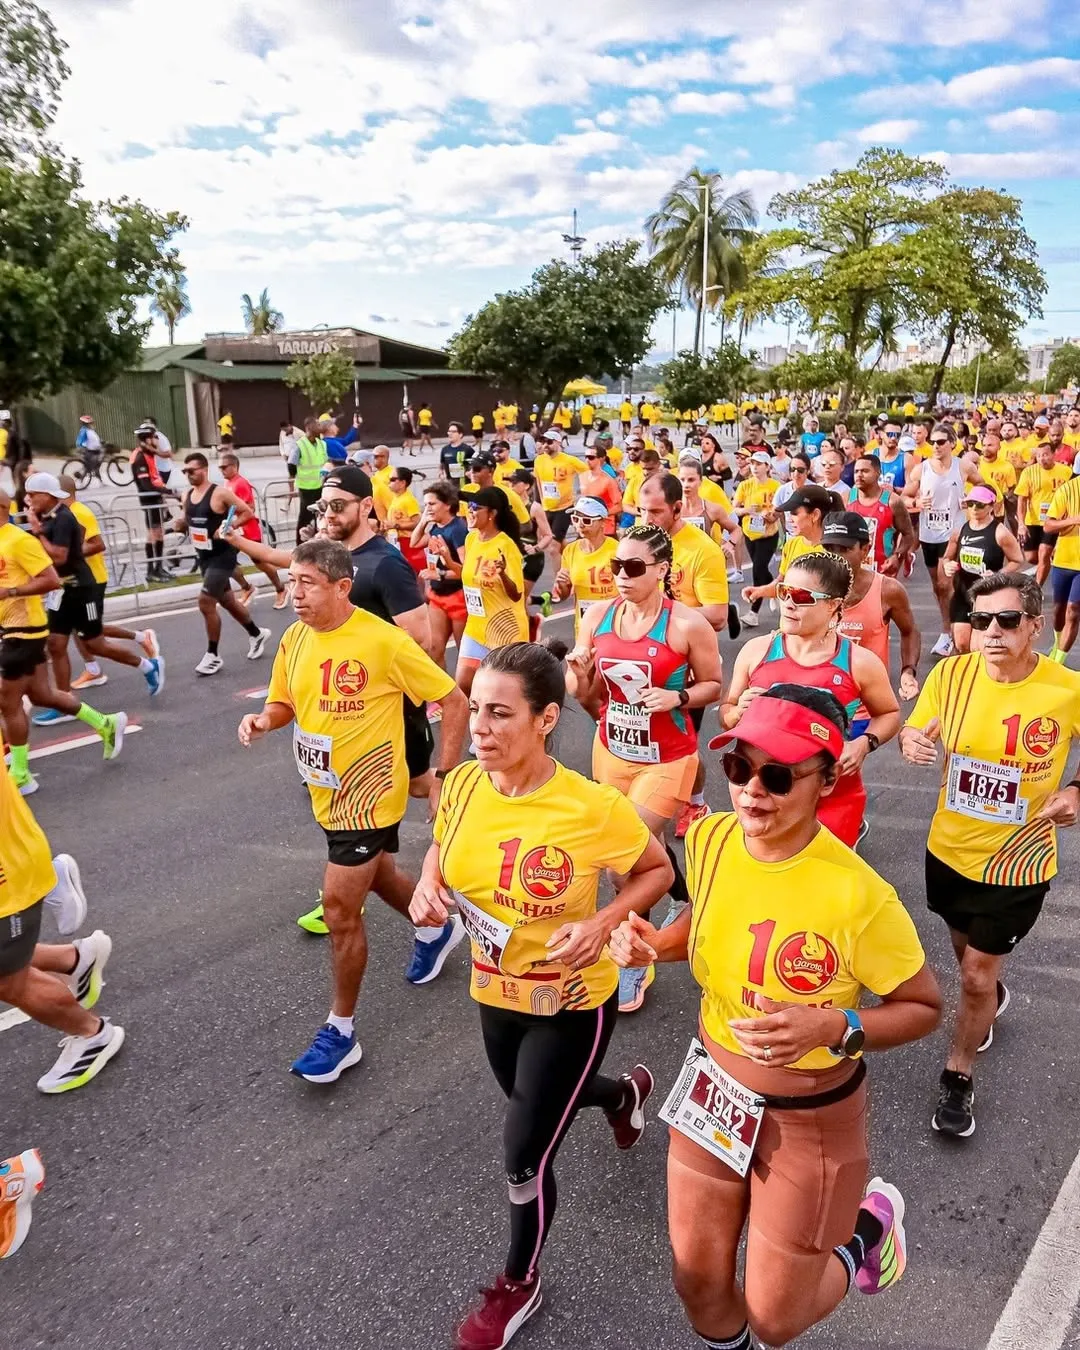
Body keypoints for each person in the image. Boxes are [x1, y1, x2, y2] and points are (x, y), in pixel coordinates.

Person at [608, 685, 940, 1350]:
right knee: (697, 1282)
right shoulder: (710, 840)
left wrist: (836, 1027)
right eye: (739, 768)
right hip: (714, 1090)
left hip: (809, 1116)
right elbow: (705, 920)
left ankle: (869, 1232)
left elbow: (924, 1007)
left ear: (827, 780)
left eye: (779, 776)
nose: (752, 791)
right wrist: (654, 944)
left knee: (776, 1319)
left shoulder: (859, 895)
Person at [409, 641, 673, 1350]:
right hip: (494, 992)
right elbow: (441, 845)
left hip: (570, 1004)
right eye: (476, 709)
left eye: (501, 714)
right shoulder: (464, 785)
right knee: (543, 1101)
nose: (481, 727)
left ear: (546, 718)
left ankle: (518, 1283)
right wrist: (429, 883)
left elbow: (657, 871)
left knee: (524, 1149)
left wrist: (602, 923)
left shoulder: (592, 807)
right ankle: (622, 1096)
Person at [239, 538, 469, 1082]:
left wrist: (445, 777)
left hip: (370, 796)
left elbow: (454, 700)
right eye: (292, 581)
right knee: (379, 872)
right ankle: (439, 928)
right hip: (326, 790)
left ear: (343, 587)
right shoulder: (295, 637)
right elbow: (284, 701)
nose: (295, 593)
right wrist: (264, 720)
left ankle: (340, 1033)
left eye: (307, 583)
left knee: (340, 910)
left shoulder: (383, 641)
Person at [900, 572, 1080, 1138]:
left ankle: (958, 1074)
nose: (992, 632)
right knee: (965, 955)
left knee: (975, 976)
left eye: (1006, 620)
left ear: (1034, 625)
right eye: (981, 621)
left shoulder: (1066, 688)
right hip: (949, 852)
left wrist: (1076, 790)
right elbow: (914, 729)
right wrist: (912, 741)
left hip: (1019, 861)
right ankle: (991, 996)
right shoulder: (950, 676)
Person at [565, 522, 723, 1012]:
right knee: (643, 848)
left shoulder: (686, 624)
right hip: (612, 749)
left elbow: (714, 685)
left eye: (633, 567)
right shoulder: (597, 615)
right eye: (617, 565)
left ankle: (634, 957)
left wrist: (677, 697)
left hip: (669, 755)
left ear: (661, 570)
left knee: (625, 856)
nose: (621, 576)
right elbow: (583, 692)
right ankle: (684, 894)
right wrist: (579, 675)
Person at [722, 551, 900, 848]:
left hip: (832, 794)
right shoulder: (757, 651)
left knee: (822, 874)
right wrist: (736, 712)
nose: (788, 603)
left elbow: (889, 713)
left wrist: (863, 743)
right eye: (784, 592)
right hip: (766, 791)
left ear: (833, 605)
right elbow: (726, 712)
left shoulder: (859, 662)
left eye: (802, 596)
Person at [0, 768, 126, 1092]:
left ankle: (92, 1034)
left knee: (8, 980)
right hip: (16, 855)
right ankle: (75, 960)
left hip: (7, 882)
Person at [0, 490, 126, 795]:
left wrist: (11, 593)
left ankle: (21, 774)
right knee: (42, 695)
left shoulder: (19, 541)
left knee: (7, 701)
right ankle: (106, 723)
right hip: (8, 628)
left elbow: (51, 580)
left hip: (25, 630)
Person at [637, 474, 732, 839]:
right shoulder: (638, 543)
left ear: (678, 508)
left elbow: (718, 615)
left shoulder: (701, 550)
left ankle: (696, 801)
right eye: (642, 511)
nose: (646, 519)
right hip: (640, 659)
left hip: (687, 668)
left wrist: (665, 614)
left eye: (655, 512)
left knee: (681, 745)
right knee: (642, 738)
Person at [23, 475, 163, 717]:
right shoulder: (47, 516)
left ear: (47, 495)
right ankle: (64, 704)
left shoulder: (65, 517)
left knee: (95, 644)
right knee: (55, 644)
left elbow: (59, 557)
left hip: (82, 589)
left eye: (32, 494)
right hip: (61, 590)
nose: (28, 499)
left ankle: (147, 666)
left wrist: (38, 532)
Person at [58, 478, 161, 692]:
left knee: (92, 633)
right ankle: (93, 669)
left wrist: (69, 555)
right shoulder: (63, 514)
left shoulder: (80, 512)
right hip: (75, 581)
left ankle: (142, 642)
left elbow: (98, 544)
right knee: (80, 627)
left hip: (92, 580)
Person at [172, 454, 270, 675]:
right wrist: (180, 524)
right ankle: (257, 634)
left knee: (206, 602)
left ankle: (213, 655)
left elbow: (247, 511)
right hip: (204, 556)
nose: (188, 475)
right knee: (227, 601)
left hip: (223, 555)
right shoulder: (187, 495)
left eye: (192, 471)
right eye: (185, 471)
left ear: (204, 470)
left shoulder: (220, 493)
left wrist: (229, 526)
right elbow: (187, 520)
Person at [903, 424, 984, 658]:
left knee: (946, 583)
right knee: (938, 587)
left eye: (940, 442)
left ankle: (949, 633)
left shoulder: (963, 466)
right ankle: (952, 626)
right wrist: (917, 503)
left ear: (952, 444)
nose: (936, 446)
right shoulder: (921, 469)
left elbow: (984, 487)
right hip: (929, 534)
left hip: (954, 534)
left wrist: (971, 498)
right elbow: (905, 497)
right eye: (933, 442)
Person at [823, 512, 921, 704]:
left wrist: (908, 671)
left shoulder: (888, 590)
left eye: (844, 549)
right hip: (820, 705)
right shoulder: (810, 587)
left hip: (867, 708)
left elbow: (909, 631)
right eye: (829, 549)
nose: (835, 557)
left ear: (865, 550)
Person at [456, 487, 528, 695]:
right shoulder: (471, 540)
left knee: (503, 695)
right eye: (468, 506)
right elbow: (470, 576)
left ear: (492, 514)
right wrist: (447, 559)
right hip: (476, 627)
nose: (469, 511)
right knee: (463, 685)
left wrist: (502, 574)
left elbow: (516, 594)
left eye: (475, 507)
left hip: (504, 630)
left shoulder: (506, 546)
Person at [942, 487, 1024, 655]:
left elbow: (1017, 560)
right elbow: (947, 558)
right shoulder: (960, 530)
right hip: (963, 593)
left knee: (977, 648)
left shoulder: (1000, 533)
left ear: (991, 506)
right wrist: (947, 565)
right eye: (970, 504)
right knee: (961, 644)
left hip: (987, 596)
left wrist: (998, 575)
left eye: (980, 505)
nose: (974, 508)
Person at [219, 452, 289, 608]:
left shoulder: (241, 483)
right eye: (220, 468)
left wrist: (235, 524)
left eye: (224, 467)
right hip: (236, 531)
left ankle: (281, 589)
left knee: (261, 563)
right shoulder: (228, 483)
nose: (221, 471)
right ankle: (246, 588)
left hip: (249, 530)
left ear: (234, 467)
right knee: (225, 560)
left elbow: (250, 509)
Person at [412, 481, 469, 672]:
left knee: (465, 655)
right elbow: (414, 543)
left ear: (447, 505)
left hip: (458, 597)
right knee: (434, 650)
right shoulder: (436, 527)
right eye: (425, 504)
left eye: (432, 504)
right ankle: (445, 690)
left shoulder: (457, 529)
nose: (427, 508)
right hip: (438, 597)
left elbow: (466, 571)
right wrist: (423, 521)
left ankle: (468, 690)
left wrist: (440, 574)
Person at [550, 497, 617, 635]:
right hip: (583, 627)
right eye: (575, 519)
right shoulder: (570, 550)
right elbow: (564, 595)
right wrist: (561, 584)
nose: (580, 525)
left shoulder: (617, 550)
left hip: (612, 626)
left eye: (587, 520)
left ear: (602, 522)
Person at [733, 452, 781, 627]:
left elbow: (779, 510)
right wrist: (747, 510)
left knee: (757, 569)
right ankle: (774, 589)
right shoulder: (745, 485)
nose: (754, 467)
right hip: (750, 533)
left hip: (768, 535)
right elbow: (734, 509)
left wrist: (771, 516)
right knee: (761, 569)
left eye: (759, 464)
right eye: (752, 463)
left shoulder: (775, 486)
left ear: (767, 467)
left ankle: (753, 612)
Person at [847, 455, 914, 576]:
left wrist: (897, 555)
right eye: (856, 471)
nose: (859, 475)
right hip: (852, 570)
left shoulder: (893, 502)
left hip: (882, 571)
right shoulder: (846, 498)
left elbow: (908, 534)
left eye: (865, 471)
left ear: (878, 473)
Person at [1016, 442, 1071, 587]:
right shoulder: (1028, 472)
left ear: (1054, 454)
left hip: (1054, 521)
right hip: (1033, 520)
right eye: (1039, 456)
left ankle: (1037, 588)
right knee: (1031, 557)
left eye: (1045, 455)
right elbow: (1022, 500)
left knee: (1044, 552)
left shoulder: (1066, 472)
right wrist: (1021, 524)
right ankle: (1046, 562)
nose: (1042, 459)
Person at [1043, 466, 1080, 664]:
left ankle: (1058, 661)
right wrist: (1074, 520)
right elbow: (1048, 525)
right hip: (1064, 561)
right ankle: (1057, 643)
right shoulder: (1068, 489)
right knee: (1059, 610)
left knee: (1073, 610)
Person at [129, 423, 175, 582]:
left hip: (155, 499)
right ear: (147, 439)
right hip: (149, 500)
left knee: (158, 533)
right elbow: (146, 485)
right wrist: (168, 492)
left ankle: (158, 568)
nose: (157, 440)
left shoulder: (149, 455)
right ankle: (152, 571)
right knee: (153, 534)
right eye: (155, 437)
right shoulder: (140, 457)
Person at [533, 431, 587, 558]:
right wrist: (539, 502)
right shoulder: (539, 460)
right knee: (559, 543)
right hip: (547, 507)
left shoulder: (569, 460)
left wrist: (583, 494)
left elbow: (588, 472)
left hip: (564, 508)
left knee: (553, 548)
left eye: (549, 442)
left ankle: (561, 571)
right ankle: (574, 559)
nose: (545, 445)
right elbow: (538, 482)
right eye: (543, 442)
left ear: (558, 443)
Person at [504, 470, 552, 607]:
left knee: (518, 600)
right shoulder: (506, 507)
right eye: (509, 482)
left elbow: (548, 535)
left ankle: (534, 614)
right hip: (512, 557)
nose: (510, 486)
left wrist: (535, 548)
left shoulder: (534, 508)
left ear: (526, 485)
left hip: (531, 559)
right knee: (512, 599)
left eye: (514, 482)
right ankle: (542, 600)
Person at [383, 464, 425, 573]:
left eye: (393, 480)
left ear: (402, 483)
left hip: (408, 543)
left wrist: (396, 525)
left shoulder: (409, 500)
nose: (389, 482)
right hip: (397, 542)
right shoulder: (396, 498)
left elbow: (417, 523)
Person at [291, 420, 327, 543]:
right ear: (308, 428)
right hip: (306, 488)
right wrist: (293, 479)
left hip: (320, 486)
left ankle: (316, 542)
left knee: (319, 515)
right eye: (317, 425)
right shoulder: (300, 445)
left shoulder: (322, 444)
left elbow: (325, 462)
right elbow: (291, 464)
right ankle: (300, 544)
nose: (319, 427)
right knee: (305, 517)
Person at [578, 448, 622, 533]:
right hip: (585, 525)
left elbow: (619, 507)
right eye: (586, 457)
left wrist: (599, 514)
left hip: (605, 528)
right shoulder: (582, 477)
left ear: (601, 459)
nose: (587, 460)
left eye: (591, 457)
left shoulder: (608, 481)